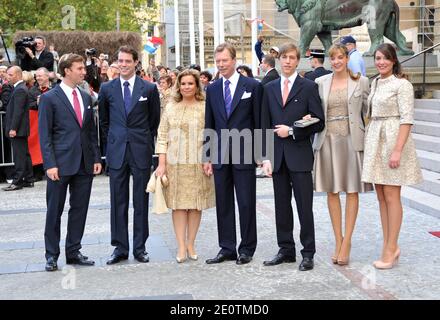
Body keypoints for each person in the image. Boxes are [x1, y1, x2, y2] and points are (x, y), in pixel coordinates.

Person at [261, 43, 325, 271]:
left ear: (298, 61)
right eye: (284, 58)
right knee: (281, 206)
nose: (287, 61)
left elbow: (318, 120)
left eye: (291, 58)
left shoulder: (308, 87)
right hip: (277, 157)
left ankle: (308, 253)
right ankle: (285, 249)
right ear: (279, 61)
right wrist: (265, 157)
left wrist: (292, 130)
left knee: (304, 207)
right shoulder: (268, 89)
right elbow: (264, 125)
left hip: (299, 156)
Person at [362, 43, 423, 269]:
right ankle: (388, 244)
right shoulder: (376, 82)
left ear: (394, 60)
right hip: (376, 137)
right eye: (378, 58)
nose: (381, 62)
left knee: (391, 196)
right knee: (380, 196)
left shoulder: (402, 84)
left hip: (393, 139)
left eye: (385, 58)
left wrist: (397, 149)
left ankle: (392, 247)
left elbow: (407, 119)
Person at [38, 53, 102, 271]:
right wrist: (50, 164)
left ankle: (73, 251)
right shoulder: (49, 98)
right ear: (67, 70)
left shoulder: (85, 97)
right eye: (80, 68)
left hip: (84, 163)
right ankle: (51, 255)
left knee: (79, 209)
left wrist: (95, 157)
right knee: (54, 210)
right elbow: (44, 135)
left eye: (83, 68)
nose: (84, 72)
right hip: (60, 164)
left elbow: (90, 131)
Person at [99, 46, 161, 265]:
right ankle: (120, 247)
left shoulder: (149, 89)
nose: (123, 64)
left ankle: (140, 247)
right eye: (120, 61)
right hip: (117, 151)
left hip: (141, 150)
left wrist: (141, 139)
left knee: (140, 200)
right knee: (118, 200)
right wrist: (116, 139)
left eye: (127, 61)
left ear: (136, 62)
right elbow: (104, 122)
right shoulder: (107, 88)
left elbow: (154, 121)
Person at [313, 44, 373, 265]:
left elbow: (369, 113)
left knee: (352, 191)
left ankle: (347, 241)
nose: (337, 61)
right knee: (332, 192)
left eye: (340, 57)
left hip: (351, 140)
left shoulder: (361, 82)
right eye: (333, 58)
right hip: (327, 141)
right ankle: (338, 239)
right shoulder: (320, 83)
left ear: (347, 59)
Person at [204, 42, 262, 265]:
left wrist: (261, 153)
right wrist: (207, 156)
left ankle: (246, 248)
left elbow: (259, 120)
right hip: (219, 153)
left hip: (245, 152)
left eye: (224, 61)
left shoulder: (252, 86)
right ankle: (226, 247)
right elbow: (209, 122)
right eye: (218, 62)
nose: (221, 65)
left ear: (234, 60)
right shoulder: (213, 88)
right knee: (224, 202)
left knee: (246, 202)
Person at [155, 69, 215, 263]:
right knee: (179, 206)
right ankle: (181, 245)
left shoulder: (206, 107)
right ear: (178, 86)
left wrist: (209, 158)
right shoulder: (171, 107)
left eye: (190, 83)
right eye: (183, 84)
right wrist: (161, 164)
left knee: (195, 206)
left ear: (197, 85)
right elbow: (162, 136)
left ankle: (191, 243)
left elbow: (210, 135)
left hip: (198, 163)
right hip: (175, 164)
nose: (187, 87)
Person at [3, 66, 34, 191]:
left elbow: (18, 112)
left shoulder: (20, 89)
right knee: (24, 154)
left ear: (17, 75)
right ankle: (28, 179)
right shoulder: (19, 88)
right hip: (20, 129)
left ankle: (18, 181)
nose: (8, 77)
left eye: (10, 75)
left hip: (18, 129)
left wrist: (13, 128)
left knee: (19, 156)